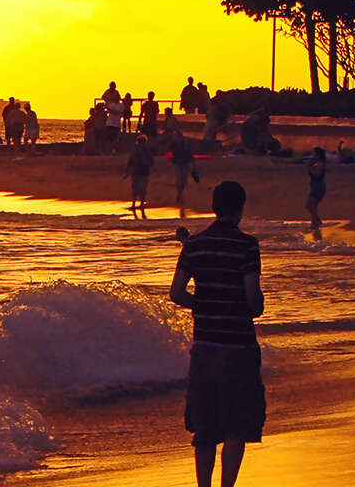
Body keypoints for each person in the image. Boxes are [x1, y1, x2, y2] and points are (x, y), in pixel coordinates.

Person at [170, 181, 265, 487]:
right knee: (237, 425)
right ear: (241, 208)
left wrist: (202, 303)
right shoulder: (247, 246)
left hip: (204, 347)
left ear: (214, 207)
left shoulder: (194, 245)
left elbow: (176, 292)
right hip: (238, 347)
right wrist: (255, 305)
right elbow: (252, 298)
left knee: (205, 428)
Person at [125, 136, 154, 213]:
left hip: (139, 172)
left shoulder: (140, 151)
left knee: (138, 189)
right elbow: (151, 162)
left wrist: (127, 172)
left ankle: (135, 204)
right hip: (141, 172)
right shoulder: (145, 151)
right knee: (140, 189)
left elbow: (130, 162)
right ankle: (139, 205)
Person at [169, 129, 198, 206]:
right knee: (179, 180)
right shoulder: (173, 144)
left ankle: (180, 194)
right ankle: (180, 195)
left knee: (183, 180)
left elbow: (190, 155)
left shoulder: (185, 144)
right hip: (178, 164)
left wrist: (193, 165)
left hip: (185, 163)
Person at [306, 147, 326, 233]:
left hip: (318, 187)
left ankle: (316, 220)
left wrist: (311, 169)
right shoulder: (317, 164)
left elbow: (317, 175)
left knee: (309, 204)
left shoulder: (320, 164)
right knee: (312, 205)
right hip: (314, 186)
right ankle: (314, 222)